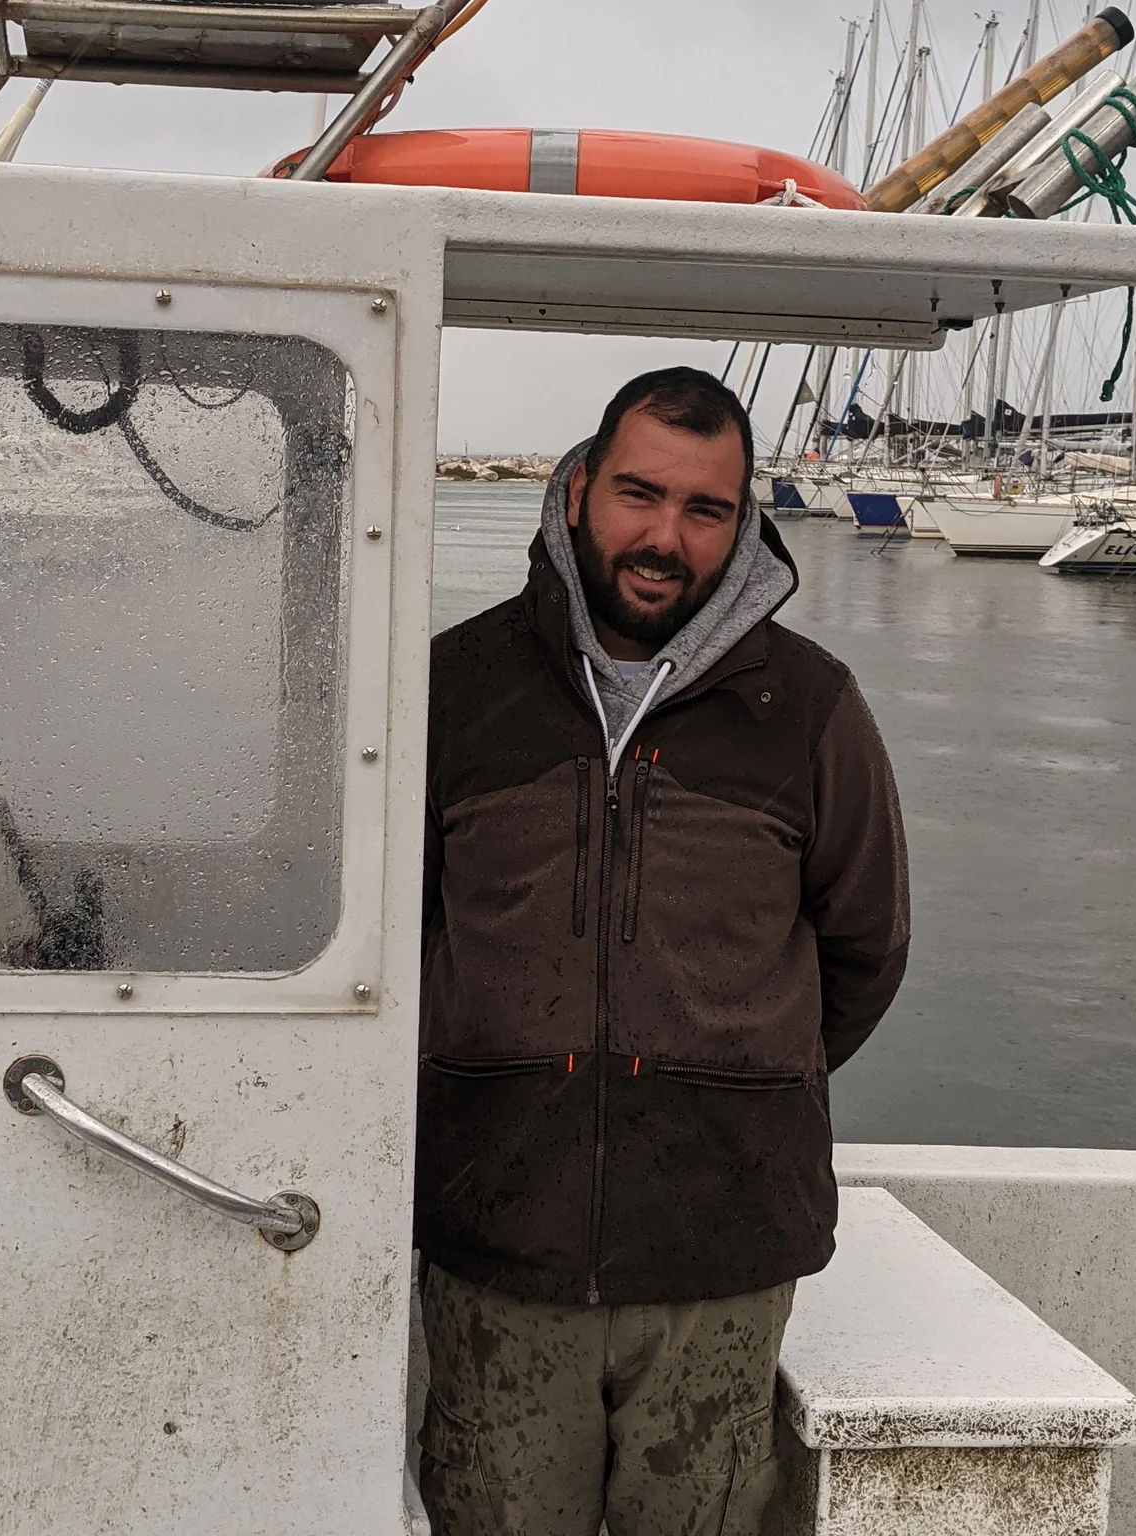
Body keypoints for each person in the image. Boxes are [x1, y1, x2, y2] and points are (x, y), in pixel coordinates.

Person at [417, 367, 910, 1536]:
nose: (665, 538)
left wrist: (731, 1090)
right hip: (498, 1239)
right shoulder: (453, 687)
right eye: (640, 494)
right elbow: (406, 933)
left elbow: (865, 949)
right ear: (578, 490)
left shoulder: (811, 708)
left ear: (741, 525)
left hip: (722, 1257)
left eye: (705, 510)